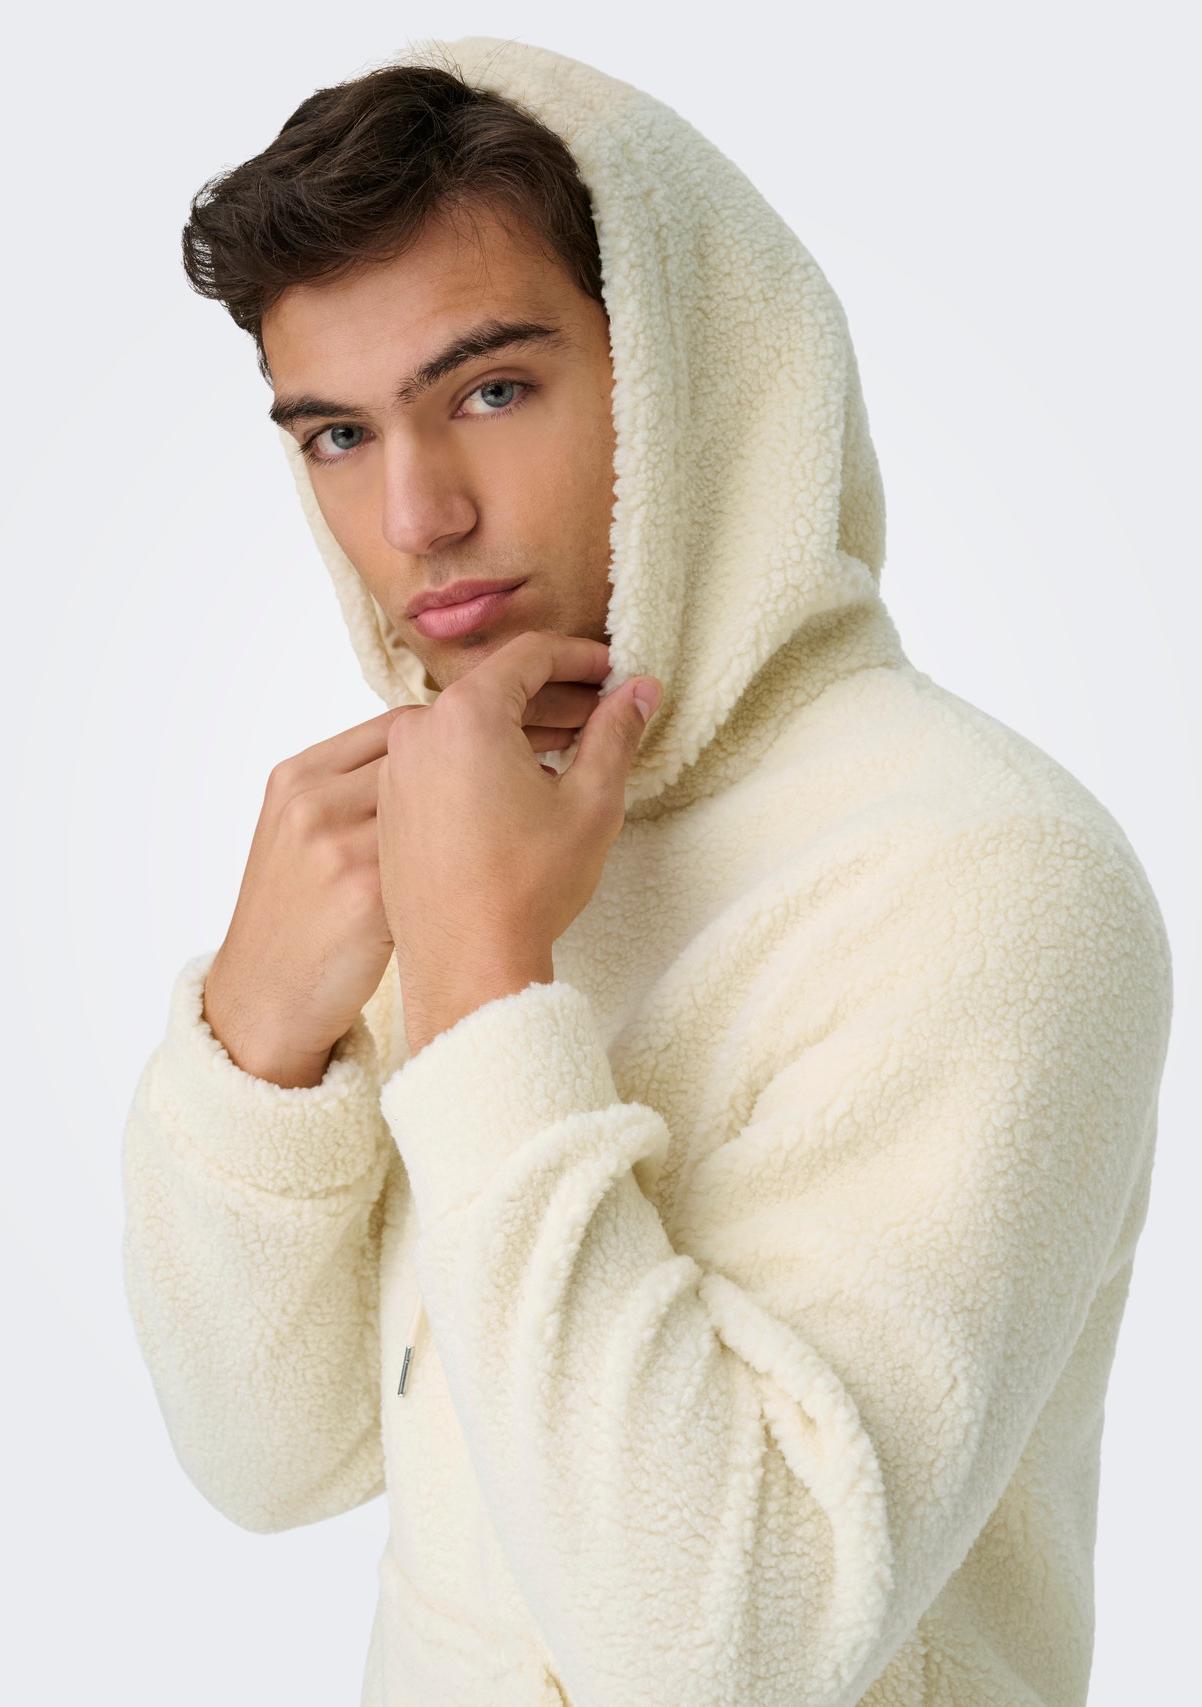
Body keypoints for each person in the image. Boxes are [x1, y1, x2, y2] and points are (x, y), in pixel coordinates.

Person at [121, 38, 1171, 1707]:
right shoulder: (464, 809)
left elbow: (727, 1656)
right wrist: (260, 1043)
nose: (414, 514)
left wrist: (481, 983)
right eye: (335, 433)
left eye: (490, 391)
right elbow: (275, 1461)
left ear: (689, 376)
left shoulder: (988, 878)